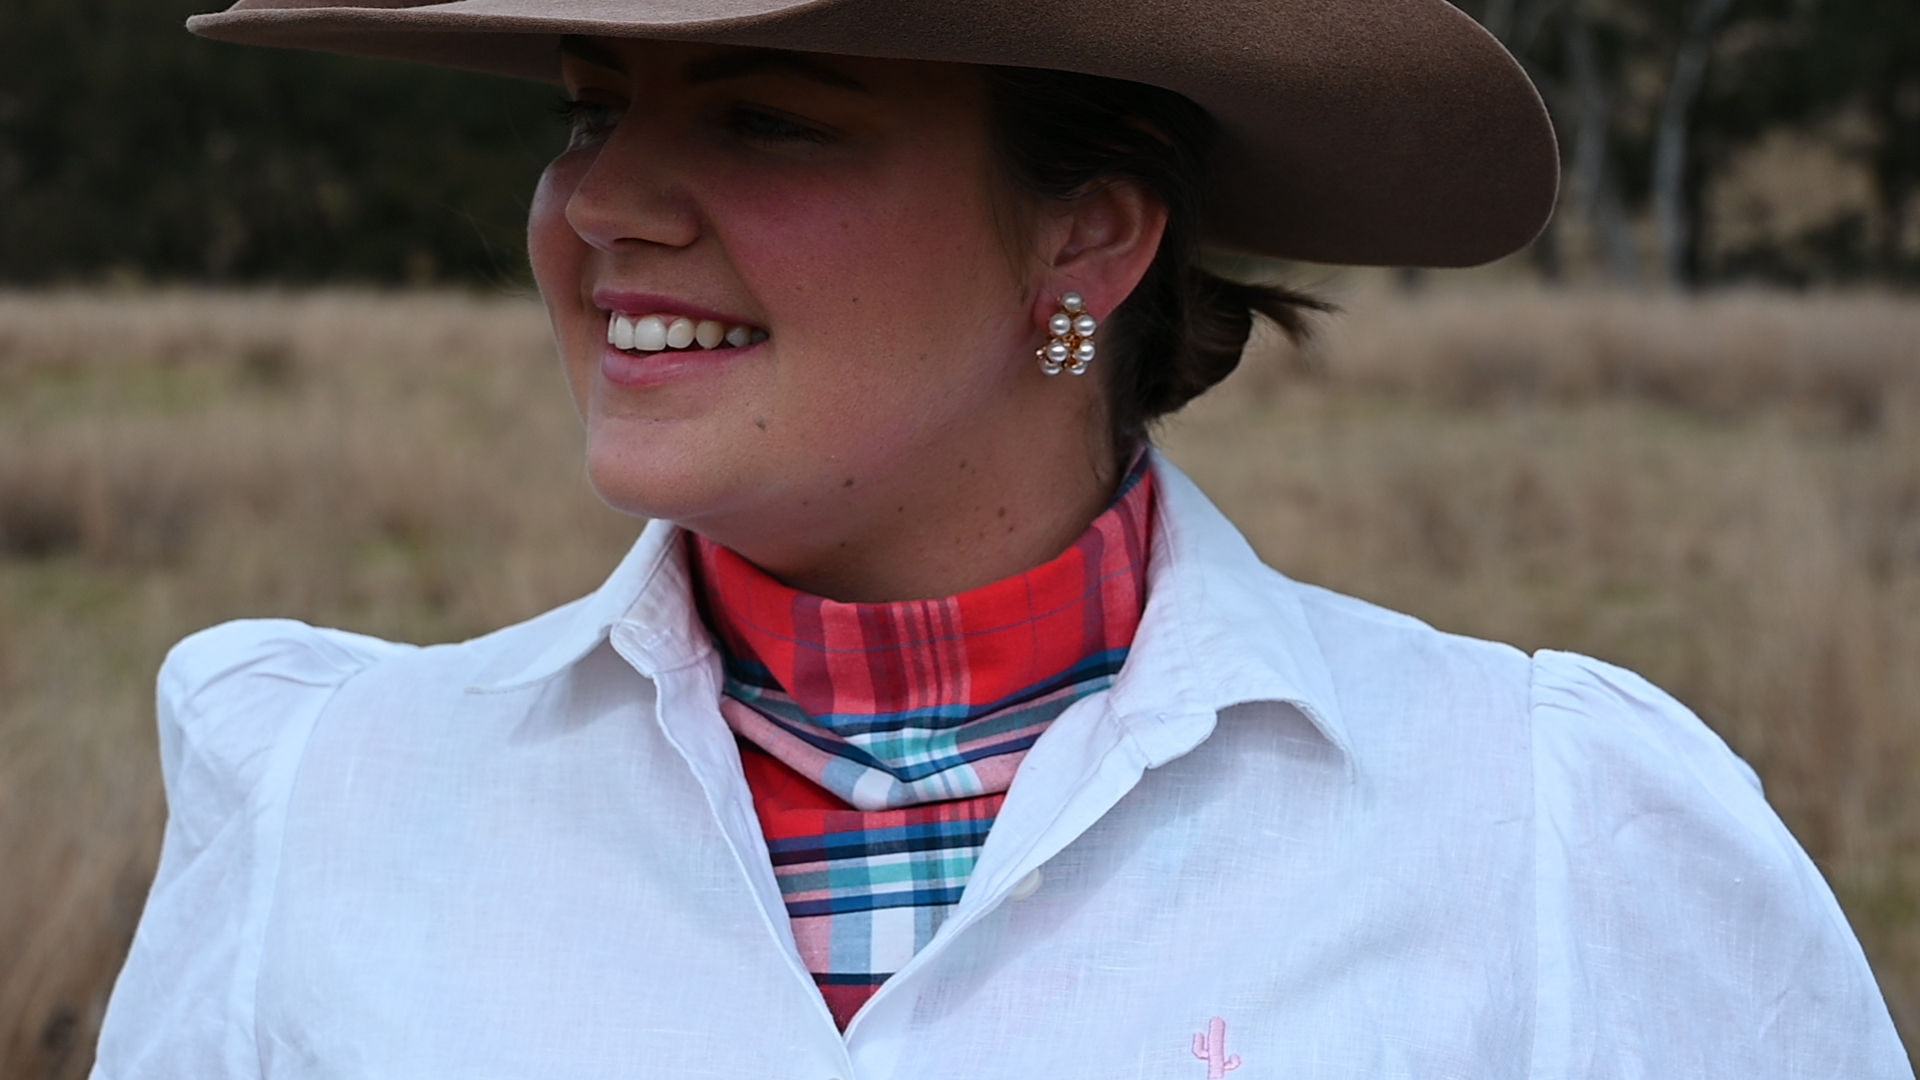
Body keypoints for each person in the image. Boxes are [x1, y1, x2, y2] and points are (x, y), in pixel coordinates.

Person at [92, 0, 1911, 1076]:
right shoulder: (325, 803)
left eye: (768, 122)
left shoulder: (1548, 835)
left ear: (1088, 244)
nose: (605, 207)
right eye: (592, 111)